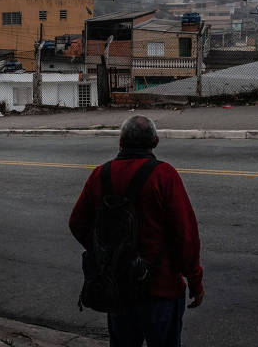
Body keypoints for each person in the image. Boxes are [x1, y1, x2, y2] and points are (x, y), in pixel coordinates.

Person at [69, 115, 204, 347]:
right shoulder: (164, 175)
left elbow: (77, 223)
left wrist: (106, 252)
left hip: (118, 286)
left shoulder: (100, 174)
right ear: (156, 142)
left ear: (120, 141)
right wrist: (194, 280)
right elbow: (185, 234)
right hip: (161, 288)